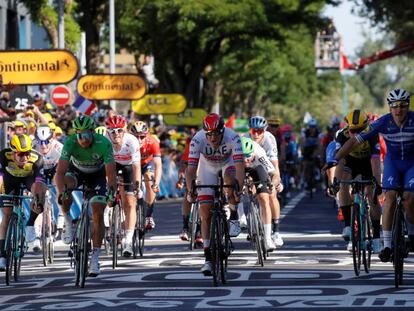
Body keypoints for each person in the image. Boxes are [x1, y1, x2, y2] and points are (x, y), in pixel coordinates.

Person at [334, 88, 414, 262]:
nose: (398, 110)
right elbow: (354, 141)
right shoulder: (383, 123)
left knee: (408, 198)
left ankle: (412, 235)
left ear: (408, 106)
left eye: (402, 105)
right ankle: (385, 245)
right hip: (393, 164)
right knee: (390, 197)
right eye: (394, 106)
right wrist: (335, 158)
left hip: (411, 164)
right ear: (389, 107)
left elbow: (376, 161)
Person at [55, 115, 117, 276]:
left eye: (87, 135)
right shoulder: (70, 143)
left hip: (97, 175)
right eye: (79, 135)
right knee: (66, 186)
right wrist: (62, 192)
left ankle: (95, 257)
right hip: (76, 172)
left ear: (92, 132)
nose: (83, 139)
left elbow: (111, 174)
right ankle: (67, 219)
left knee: (97, 213)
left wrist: (111, 193)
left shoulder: (103, 143)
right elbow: (60, 172)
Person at [186, 113, 244, 276]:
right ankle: (208, 258)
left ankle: (233, 214)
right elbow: (191, 170)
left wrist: (238, 188)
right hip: (207, 168)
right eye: (208, 134)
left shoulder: (233, 137)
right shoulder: (197, 139)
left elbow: (240, 167)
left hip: (228, 165)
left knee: (231, 182)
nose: (212, 138)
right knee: (205, 212)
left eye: (215, 134)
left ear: (222, 131)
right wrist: (191, 190)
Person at [330, 109, 382, 253]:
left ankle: (377, 238)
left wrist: (377, 183)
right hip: (350, 163)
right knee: (343, 184)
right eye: (353, 130)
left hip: (367, 163)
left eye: (360, 130)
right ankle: (348, 225)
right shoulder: (341, 135)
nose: (356, 134)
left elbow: (376, 162)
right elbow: (339, 160)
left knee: (372, 195)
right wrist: (336, 182)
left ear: (366, 127)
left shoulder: (372, 134)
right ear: (348, 127)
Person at [0, 134, 47, 270]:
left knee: (41, 190)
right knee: (6, 216)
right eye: (21, 154)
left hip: (29, 180)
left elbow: (38, 181)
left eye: (27, 153)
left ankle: (30, 224)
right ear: (13, 152)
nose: (25, 158)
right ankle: (2, 256)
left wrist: (36, 198)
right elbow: (1, 178)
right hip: (9, 181)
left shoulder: (37, 158)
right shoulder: (4, 155)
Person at [105, 115, 141, 257]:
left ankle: (128, 240)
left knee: (130, 203)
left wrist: (137, 186)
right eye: (112, 131)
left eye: (119, 131)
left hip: (128, 168)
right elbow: (104, 168)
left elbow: (136, 167)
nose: (116, 134)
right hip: (112, 166)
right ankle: (109, 215)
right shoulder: (105, 142)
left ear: (125, 130)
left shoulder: (132, 141)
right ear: (108, 132)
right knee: (109, 193)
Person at [247, 116, 284, 247]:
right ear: (249, 130)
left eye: (259, 131)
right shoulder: (244, 139)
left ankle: (276, 231)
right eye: (253, 131)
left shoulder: (269, 139)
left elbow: (274, 166)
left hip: (264, 164)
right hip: (248, 166)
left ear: (264, 130)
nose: (256, 134)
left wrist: (276, 183)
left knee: (271, 194)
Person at [28, 125, 64, 251]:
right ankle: (37, 235)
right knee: (38, 199)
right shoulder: (32, 146)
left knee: (59, 184)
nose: (43, 145)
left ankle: (60, 217)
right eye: (40, 142)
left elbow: (66, 165)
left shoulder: (58, 147)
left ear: (52, 139)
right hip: (39, 170)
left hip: (55, 168)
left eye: (46, 141)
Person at [241, 137, 277, 251]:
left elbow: (274, 173)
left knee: (264, 198)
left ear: (253, 153)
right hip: (238, 169)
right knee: (235, 189)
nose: (246, 160)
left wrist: (272, 184)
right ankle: (240, 216)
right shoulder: (233, 155)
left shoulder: (259, 153)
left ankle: (267, 238)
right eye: (243, 157)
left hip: (257, 168)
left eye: (248, 156)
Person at [130, 121, 162, 230]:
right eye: (136, 137)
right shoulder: (127, 142)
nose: (139, 140)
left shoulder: (152, 142)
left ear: (147, 135)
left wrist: (156, 183)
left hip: (146, 164)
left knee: (149, 179)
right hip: (132, 164)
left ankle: (149, 215)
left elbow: (158, 165)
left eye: (142, 137)